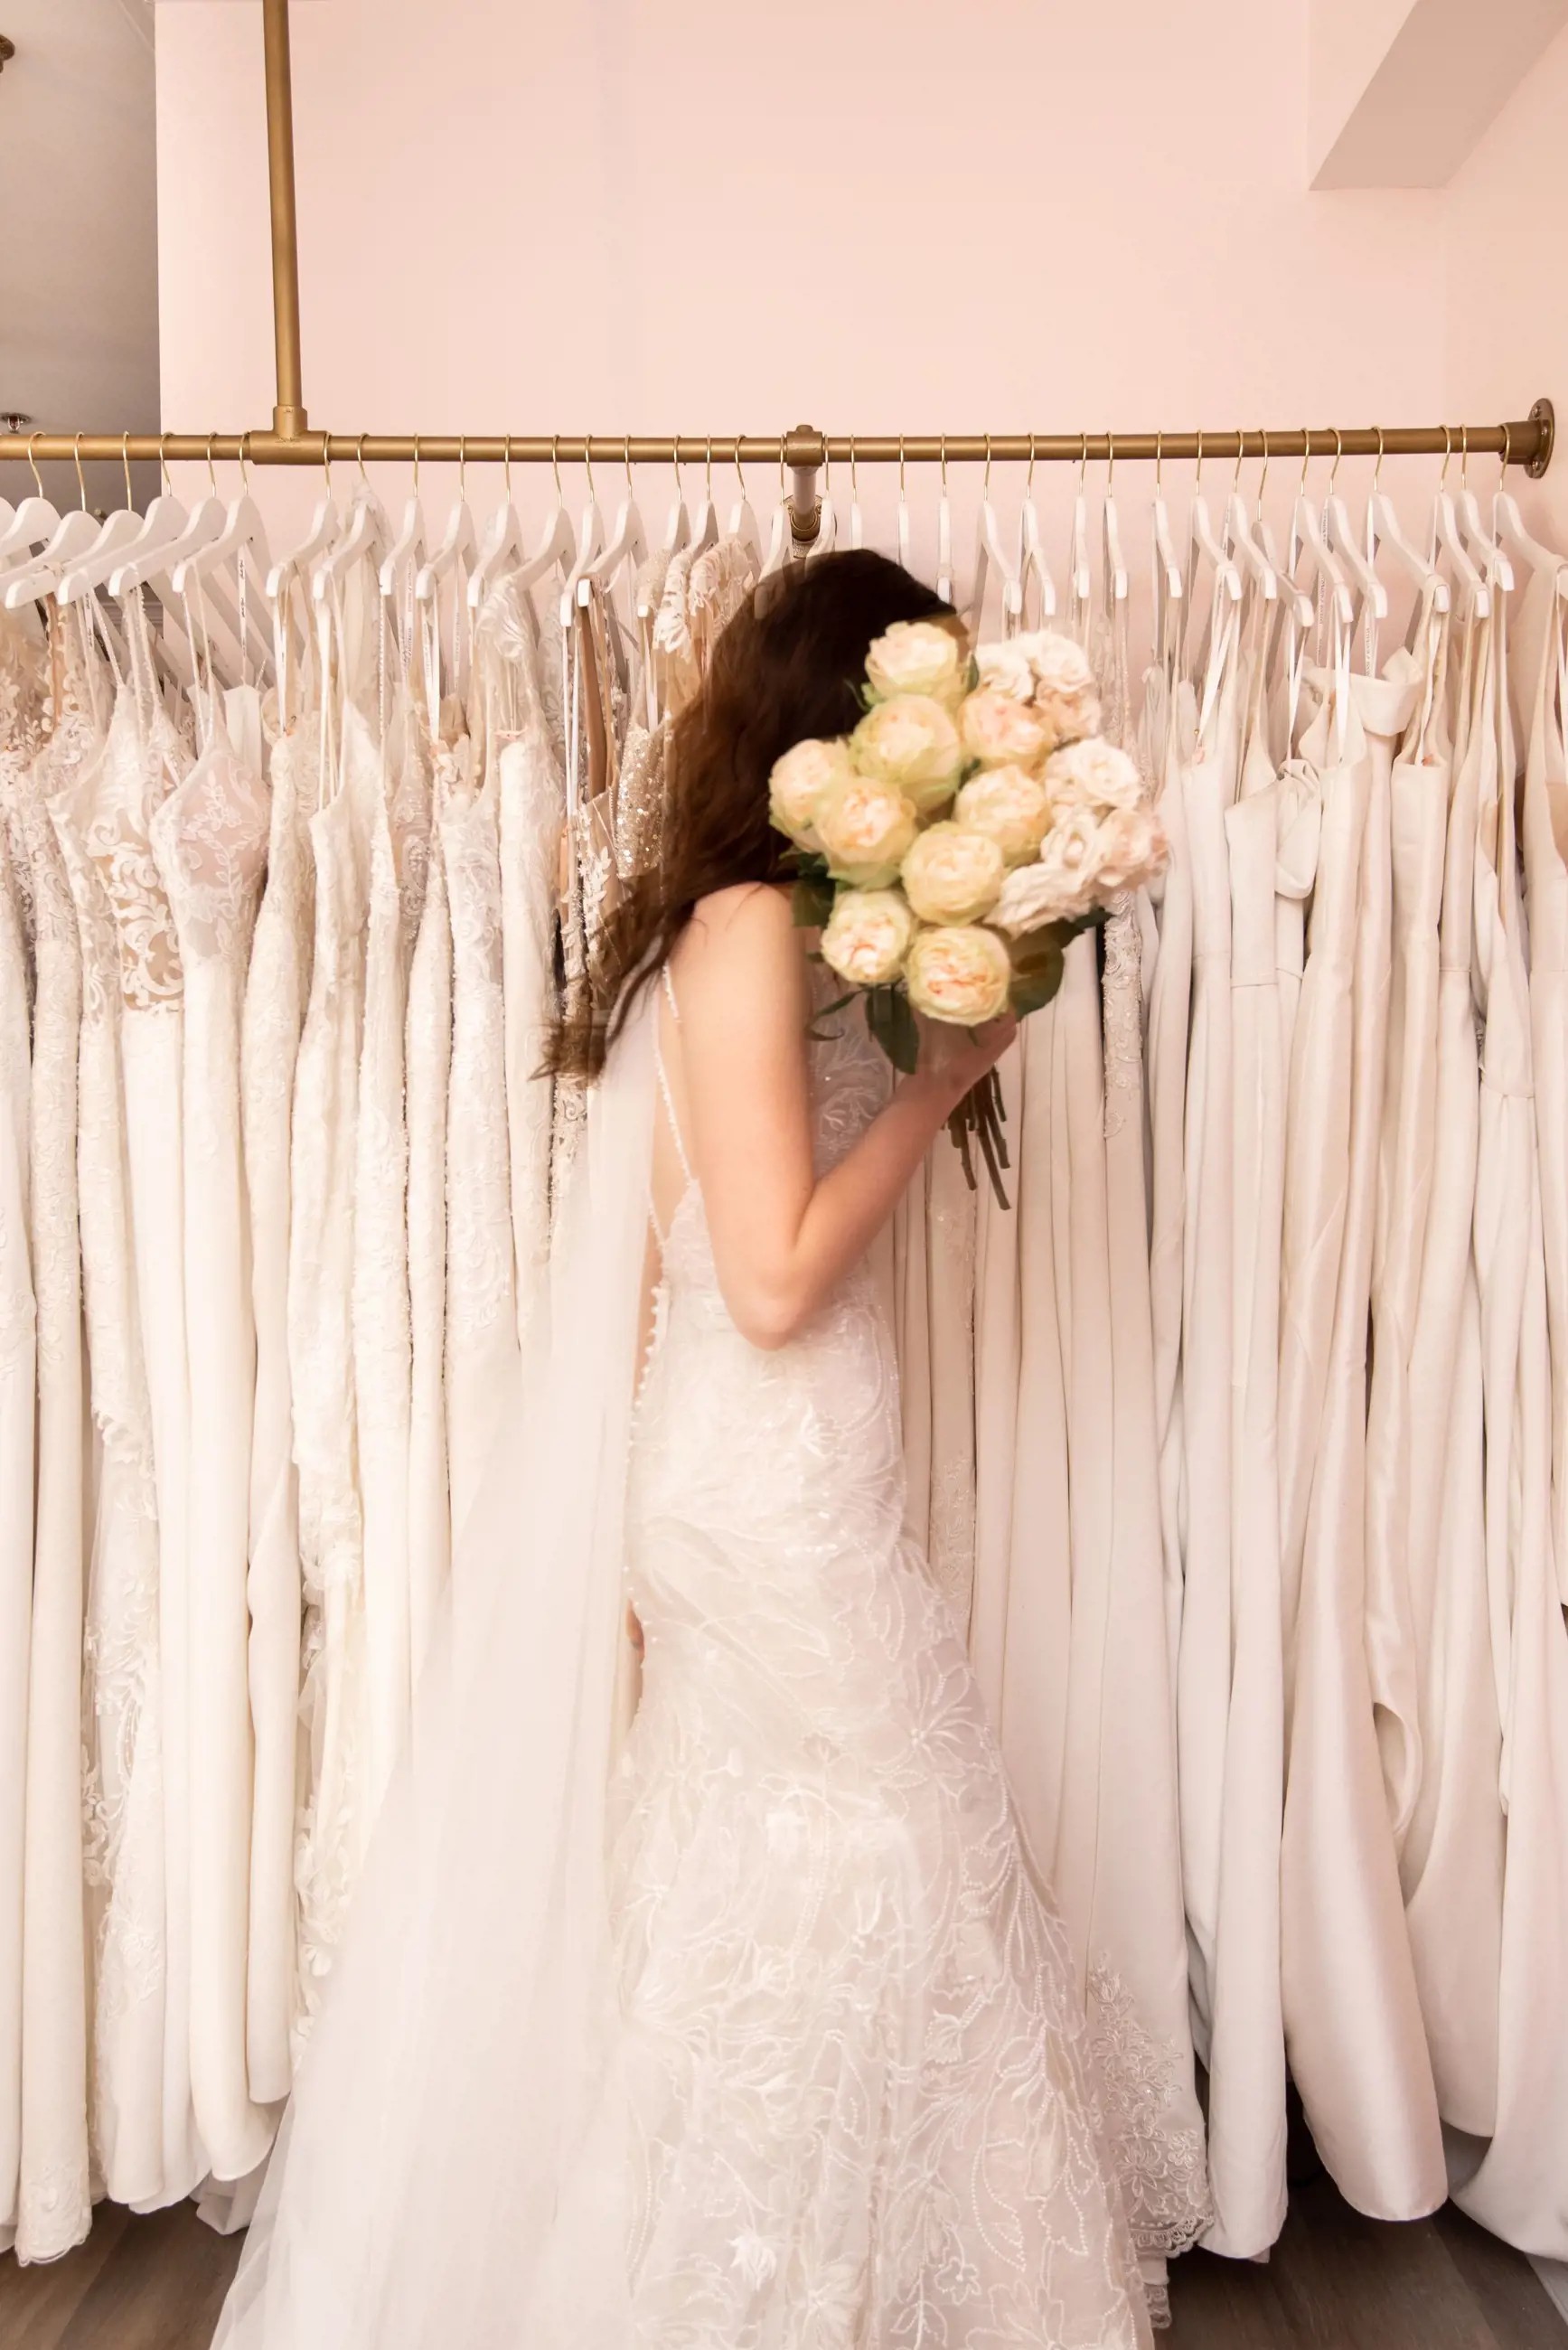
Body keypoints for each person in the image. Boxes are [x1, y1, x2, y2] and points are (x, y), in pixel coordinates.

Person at [213, 550, 1152, 2348]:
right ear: (844, 720)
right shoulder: (739, 931)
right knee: (863, 1852)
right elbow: (774, 1274)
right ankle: (745, 2282)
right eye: (928, 704)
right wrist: (946, 1085)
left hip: (775, 1466)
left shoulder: (787, 919)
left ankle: (818, 2264)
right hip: (761, 1476)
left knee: (822, 1865)